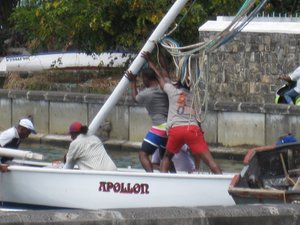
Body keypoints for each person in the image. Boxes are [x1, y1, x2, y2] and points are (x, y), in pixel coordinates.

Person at [142, 51, 222, 174]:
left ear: (177, 85)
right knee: (211, 162)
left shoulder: (172, 91)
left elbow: (159, 76)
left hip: (176, 130)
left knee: (167, 157)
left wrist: (150, 61)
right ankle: (221, 182)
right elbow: (198, 121)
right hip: (192, 129)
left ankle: (162, 182)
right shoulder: (194, 97)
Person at [125, 66, 170, 172]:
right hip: (170, 128)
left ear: (146, 79)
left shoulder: (147, 93)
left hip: (159, 127)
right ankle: (172, 177)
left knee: (143, 154)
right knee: (165, 158)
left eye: (143, 79)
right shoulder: (164, 87)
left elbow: (135, 98)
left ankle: (151, 177)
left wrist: (133, 81)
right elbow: (164, 73)